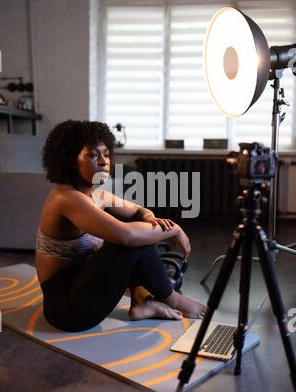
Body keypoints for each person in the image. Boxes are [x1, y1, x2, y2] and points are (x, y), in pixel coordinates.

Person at [35, 120, 206, 332]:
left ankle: (142, 302)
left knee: (137, 228)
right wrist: (175, 229)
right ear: (71, 160)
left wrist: (151, 220)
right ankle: (174, 300)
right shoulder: (66, 197)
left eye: (106, 154)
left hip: (83, 290)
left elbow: (138, 211)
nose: (104, 161)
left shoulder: (96, 196)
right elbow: (126, 237)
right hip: (68, 310)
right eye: (93, 155)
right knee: (129, 236)